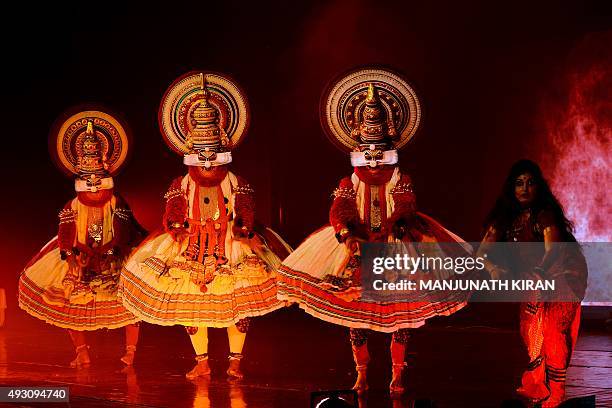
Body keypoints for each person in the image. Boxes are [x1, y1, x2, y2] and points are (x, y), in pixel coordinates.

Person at [278, 68, 472, 395]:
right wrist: (347, 233)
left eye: (378, 152)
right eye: (367, 153)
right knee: (356, 319)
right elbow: (340, 209)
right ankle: (362, 373)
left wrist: (398, 228)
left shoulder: (401, 178)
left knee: (402, 316)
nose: (373, 161)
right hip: (359, 248)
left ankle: (398, 374)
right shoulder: (348, 182)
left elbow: (405, 204)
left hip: (396, 246)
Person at [119, 72, 291, 380]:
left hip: (231, 245)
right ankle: (202, 361)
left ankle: (235, 361)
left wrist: (244, 232)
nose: (207, 163)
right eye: (200, 156)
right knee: (191, 307)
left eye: (212, 155)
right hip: (191, 247)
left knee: (236, 308)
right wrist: (174, 228)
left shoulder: (238, 182)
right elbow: (172, 210)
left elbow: (245, 210)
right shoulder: (180, 183)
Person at [19, 111, 143, 367]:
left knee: (128, 305)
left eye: (98, 179)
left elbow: (123, 230)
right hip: (80, 256)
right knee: (70, 305)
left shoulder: (116, 202)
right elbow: (65, 231)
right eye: (87, 180)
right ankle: (82, 351)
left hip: (113, 257)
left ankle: (130, 352)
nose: (94, 186)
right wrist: (70, 254)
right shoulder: (72, 204)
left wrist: (113, 252)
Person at [479, 159, 587, 407]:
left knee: (551, 330)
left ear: (539, 187)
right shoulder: (504, 218)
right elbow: (481, 253)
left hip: (563, 275)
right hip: (533, 279)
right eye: (519, 183)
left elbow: (554, 251)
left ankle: (557, 392)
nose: (525, 188)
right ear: (511, 188)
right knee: (530, 331)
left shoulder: (545, 215)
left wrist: (539, 274)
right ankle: (539, 385)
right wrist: (493, 267)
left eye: (530, 183)